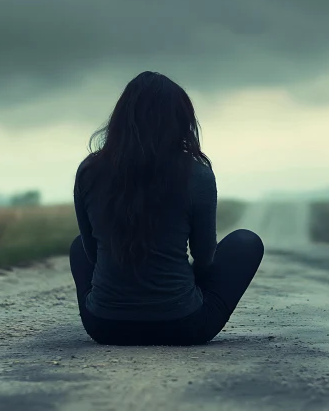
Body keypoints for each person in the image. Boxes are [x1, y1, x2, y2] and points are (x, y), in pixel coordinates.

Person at [69, 71, 265, 346]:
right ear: (181, 121)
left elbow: (91, 253)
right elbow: (205, 256)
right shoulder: (196, 173)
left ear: (120, 121)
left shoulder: (89, 171)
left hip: (105, 327)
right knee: (246, 242)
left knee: (78, 245)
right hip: (185, 326)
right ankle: (172, 299)